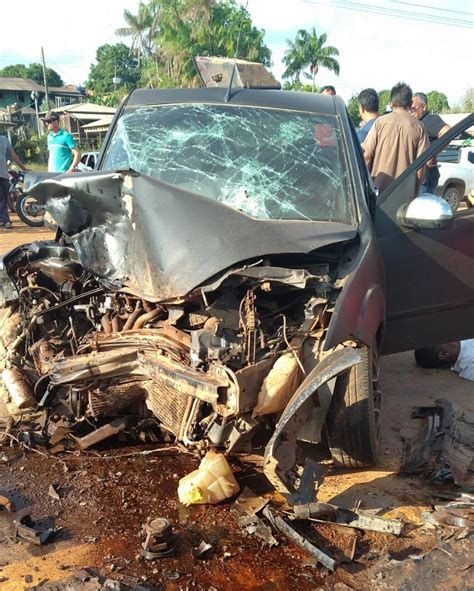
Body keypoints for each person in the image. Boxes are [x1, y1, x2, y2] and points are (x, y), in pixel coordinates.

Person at [362, 82, 429, 195]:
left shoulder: (380, 123)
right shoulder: (419, 127)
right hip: (405, 194)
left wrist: (366, 186)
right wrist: (416, 191)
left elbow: (367, 155)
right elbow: (421, 165)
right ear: (410, 103)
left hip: (379, 192)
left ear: (391, 103)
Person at [410, 92, 450, 193]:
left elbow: (447, 132)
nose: (410, 111)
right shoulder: (416, 122)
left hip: (425, 181)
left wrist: (431, 154)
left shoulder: (430, 119)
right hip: (417, 179)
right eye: (408, 108)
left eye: (413, 108)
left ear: (424, 107)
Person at [0, 135, 28, 229]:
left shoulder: (4, 139)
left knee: (5, 197)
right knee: (1, 199)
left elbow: (13, 155)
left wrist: (23, 168)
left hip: (4, 174)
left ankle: (2, 219)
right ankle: (6, 221)